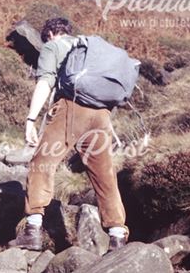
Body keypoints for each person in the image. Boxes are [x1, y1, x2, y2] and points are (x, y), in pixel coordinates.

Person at [10, 17, 129, 252]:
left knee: (42, 162)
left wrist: (31, 119)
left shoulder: (52, 47)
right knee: (104, 173)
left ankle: (32, 230)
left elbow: (45, 82)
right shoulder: (87, 48)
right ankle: (117, 234)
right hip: (101, 115)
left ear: (52, 33)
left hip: (71, 110)